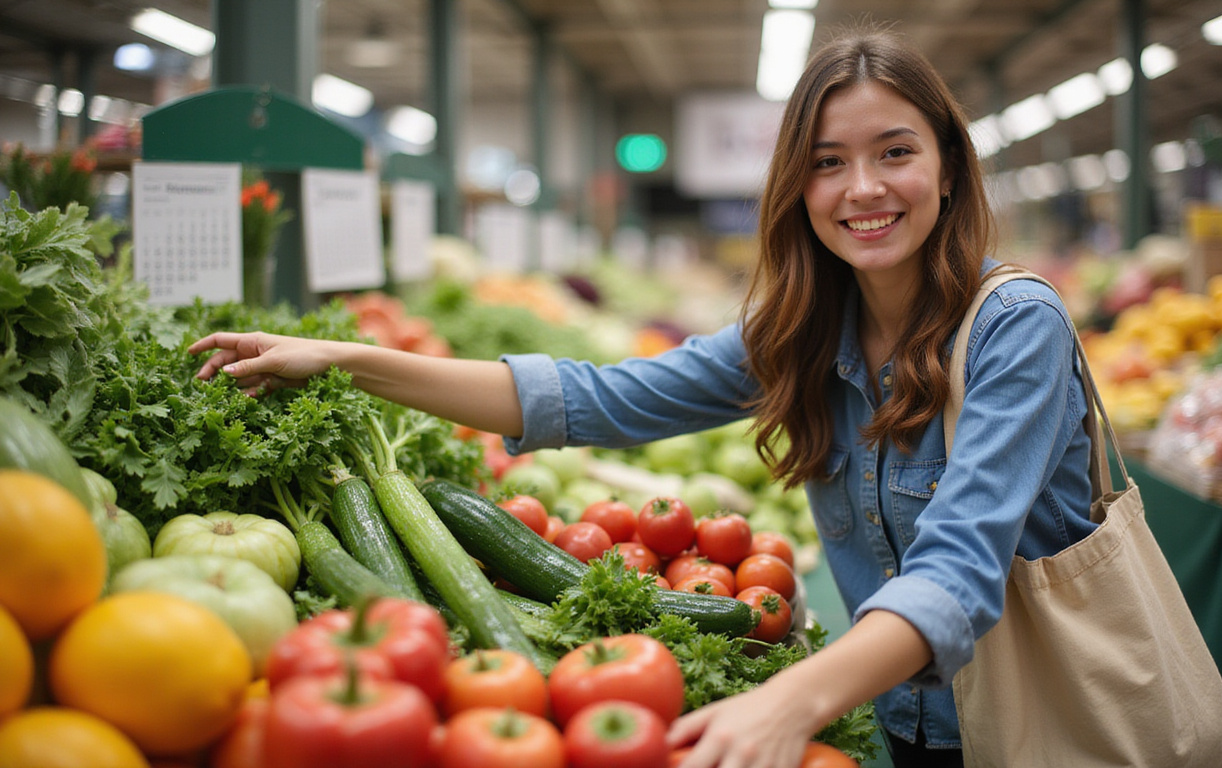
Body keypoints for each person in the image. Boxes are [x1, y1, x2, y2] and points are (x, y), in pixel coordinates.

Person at [190, 23, 1096, 768]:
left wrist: (786, 702)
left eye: (894, 152)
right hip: (904, 723)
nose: (862, 189)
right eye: (827, 163)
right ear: (797, 186)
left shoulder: (1016, 325)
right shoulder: (805, 330)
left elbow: (957, 569)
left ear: (947, 166)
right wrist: (342, 359)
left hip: (1044, 730)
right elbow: (594, 398)